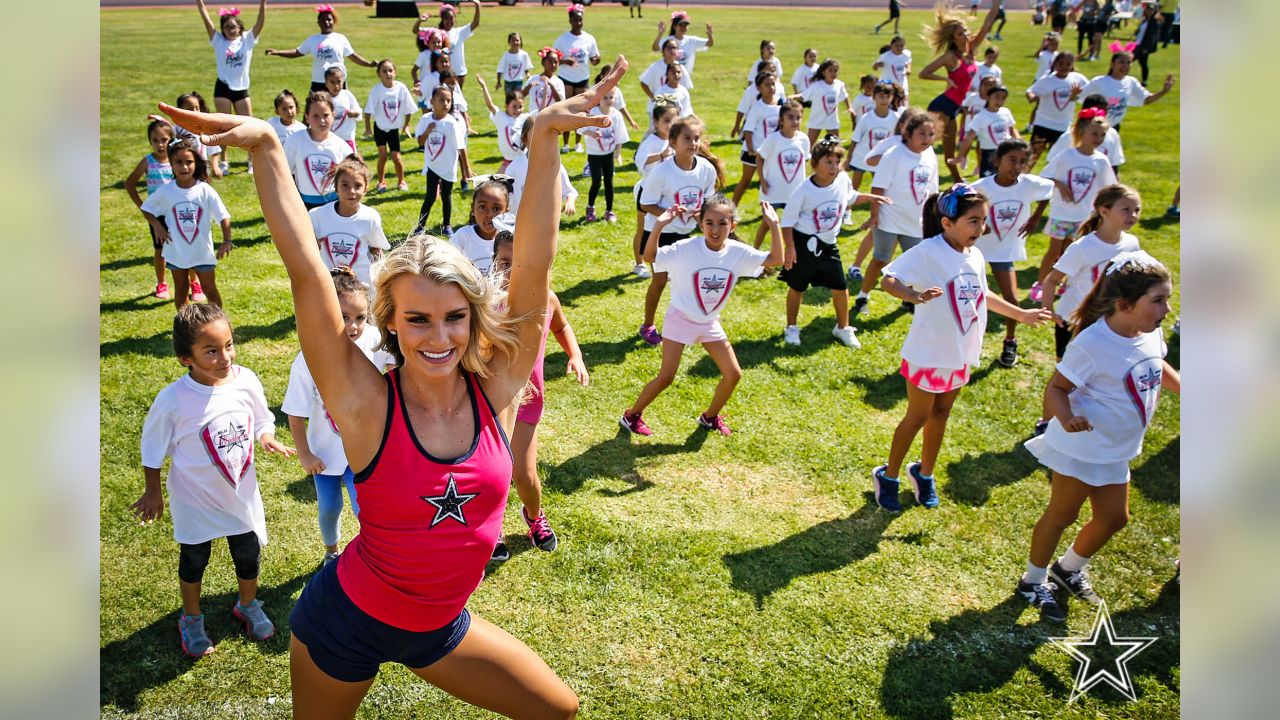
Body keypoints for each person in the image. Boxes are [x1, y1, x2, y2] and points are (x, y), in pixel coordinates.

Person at [156, 55, 627, 720]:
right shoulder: (363, 401)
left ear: (473, 316)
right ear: (390, 323)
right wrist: (266, 145)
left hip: (439, 628)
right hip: (345, 625)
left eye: (454, 316)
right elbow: (306, 274)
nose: (439, 336)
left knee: (558, 709)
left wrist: (545, 137)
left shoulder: (495, 389)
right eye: (417, 319)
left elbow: (537, 263)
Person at [1017, 250, 1178, 622]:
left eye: (1167, 299)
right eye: (1157, 301)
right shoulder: (1094, 343)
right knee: (1062, 514)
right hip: (1083, 448)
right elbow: (1056, 388)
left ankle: (1068, 568)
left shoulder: (1147, 332)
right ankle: (1032, 581)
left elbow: (1157, 365)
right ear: (1123, 304)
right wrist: (1068, 417)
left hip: (1115, 450)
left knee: (1113, 518)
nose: (1166, 309)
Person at [871, 184, 1052, 512]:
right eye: (973, 220)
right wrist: (913, 297)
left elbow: (983, 294)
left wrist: (1021, 314)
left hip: (959, 353)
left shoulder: (976, 255)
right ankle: (889, 475)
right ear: (947, 223)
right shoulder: (929, 251)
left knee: (941, 414)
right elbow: (889, 279)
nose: (981, 228)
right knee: (917, 416)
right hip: (927, 353)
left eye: (983, 221)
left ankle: (924, 474)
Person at [132, 303, 295, 657]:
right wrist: (152, 491)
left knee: (248, 555)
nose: (225, 357)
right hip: (195, 499)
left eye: (229, 345)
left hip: (240, 496)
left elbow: (263, 417)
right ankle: (191, 618)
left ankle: (248, 604)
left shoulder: (246, 379)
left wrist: (267, 436)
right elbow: (152, 448)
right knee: (194, 559)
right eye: (211, 350)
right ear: (184, 358)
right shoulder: (173, 401)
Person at [621, 196, 785, 438]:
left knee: (733, 374)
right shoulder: (686, 248)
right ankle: (631, 416)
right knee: (666, 377)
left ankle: (709, 418)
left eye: (722, 223)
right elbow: (649, 257)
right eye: (709, 223)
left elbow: (777, 260)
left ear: (733, 226)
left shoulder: (738, 253)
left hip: (709, 323)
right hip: (679, 319)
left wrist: (774, 225)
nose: (715, 230)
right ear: (700, 224)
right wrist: (659, 225)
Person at [488, 231, 589, 561]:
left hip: (529, 400)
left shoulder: (547, 299)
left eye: (521, 266)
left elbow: (562, 327)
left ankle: (533, 516)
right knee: (494, 473)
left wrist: (575, 355)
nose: (513, 273)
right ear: (493, 263)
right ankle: (492, 528)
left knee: (524, 475)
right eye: (505, 263)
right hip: (491, 402)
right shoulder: (486, 302)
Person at [284, 268, 395, 566]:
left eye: (360, 317)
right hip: (325, 454)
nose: (354, 325)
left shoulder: (373, 339)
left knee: (365, 508)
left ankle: (372, 553)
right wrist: (305, 454)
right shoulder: (310, 356)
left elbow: (401, 364)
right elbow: (296, 413)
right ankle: (331, 552)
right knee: (329, 507)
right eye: (344, 316)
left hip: (366, 449)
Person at [779, 137, 890, 348]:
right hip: (804, 244)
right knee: (797, 287)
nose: (833, 167)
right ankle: (791, 327)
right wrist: (791, 247)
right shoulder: (803, 190)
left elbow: (849, 197)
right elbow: (787, 221)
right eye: (828, 162)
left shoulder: (842, 180)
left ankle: (842, 327)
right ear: (814, 165)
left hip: (829, 245)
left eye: (836, 162)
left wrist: (870, 197)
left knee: (840, 286)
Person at [637, 115, 726, 346]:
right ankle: (648, 325)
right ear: (673, 142)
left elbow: (707, 202)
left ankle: (690, 323)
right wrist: (670, 214)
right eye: (687, 138)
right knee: (659, 280)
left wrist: (701, 216)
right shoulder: (662, 172)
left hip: (685, 233)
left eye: (696, 138)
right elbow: (645, 203)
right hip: (659, 232)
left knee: (687, 280)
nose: (693, 143)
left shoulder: (706, 169)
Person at [970, 139, 1055, 367]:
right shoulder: (981, 187)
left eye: (1022, 162)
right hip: (974, 249)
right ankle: (965, 341)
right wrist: (979, 226)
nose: (1016, 166)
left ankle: (1010, 340)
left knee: (1012, 298)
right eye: (1011, 160)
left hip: (1004, 251)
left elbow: (1051, 189)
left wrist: (1036, 216)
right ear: (997, 160)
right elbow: (965, 211)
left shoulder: (1028, 184)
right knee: (967, 297)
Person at [1040, 184, 1144, 364]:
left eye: (1137, 210)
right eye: (1126, 210)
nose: (1133, 215)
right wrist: (1049, 310)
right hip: (1075, 319)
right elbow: (1052, 280)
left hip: (1110, 319)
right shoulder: (1083, 247)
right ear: (1104, 211)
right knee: (1067, 370)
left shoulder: (1132, 244)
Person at [1028, 107, 1117, 302]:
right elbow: (1045, 177)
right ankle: (1041, 284)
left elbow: (1109, 188)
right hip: (1062, 214)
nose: (1098, 138)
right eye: (1094, 134)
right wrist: (1061, 185)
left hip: (1084, 217)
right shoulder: (1066, 156)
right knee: (1053, 252)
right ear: (1081, 132)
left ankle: (1064, 284)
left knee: (1074, 253)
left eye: (1102, 135)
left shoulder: (1101, 161)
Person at [854, 112, 939, 317]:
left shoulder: (930, 155)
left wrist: (933, 218)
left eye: (930, 134)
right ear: (908, 133)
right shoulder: (894, 154)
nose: (927, 139)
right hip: (889, 219)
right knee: (881, 259)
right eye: (921, 133)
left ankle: (909, 300)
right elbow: (878, 187)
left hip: (915, 222)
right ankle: (862, 296)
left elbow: (933, 189)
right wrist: (875, 215)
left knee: (915, 264)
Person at [139, 137, 233, 309]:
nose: (184, 167)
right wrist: (157, 226)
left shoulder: (204, 190)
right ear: (171, 164)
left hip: (201, 251)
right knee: (181, 291)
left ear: (196, 163)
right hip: (176, 251)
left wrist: (227, 241)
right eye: (178, 162)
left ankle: (220, 325)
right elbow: (147, 208)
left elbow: (223, 215)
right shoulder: (166, 191)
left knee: (210, 289)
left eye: (188, 162)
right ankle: (186, 330)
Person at [918, 3, 1000, 183]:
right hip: (942, 106)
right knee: (922, 145)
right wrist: (945, 80)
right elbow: (923, 73)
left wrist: (996, 4)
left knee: (949, 153)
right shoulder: (950, 57)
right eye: (960, 33)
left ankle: (958, 183)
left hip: (954, 108)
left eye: (965, 31)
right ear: (953, 38)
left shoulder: (971, 50)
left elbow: (987, 24)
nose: (964, 35)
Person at [197, 0, 266, 172]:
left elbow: (260, 23)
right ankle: (223, 162)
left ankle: (251, 161)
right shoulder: (218, 41)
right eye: (227, 27)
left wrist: (263, 4)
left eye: (234, 27)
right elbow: (207, 21)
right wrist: (200, 3)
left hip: (241, 89)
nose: (231, 30)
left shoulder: (247, 40)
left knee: (248, 126)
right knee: (223, 128)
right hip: (223, 89)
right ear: (223, 29)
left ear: (240, 27)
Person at [309, 157, 389, 289]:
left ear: (366, 189)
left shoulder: (370, 217)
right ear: (336, 187)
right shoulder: (317, 216)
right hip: (329, 287)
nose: (351, 191)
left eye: (357, 186)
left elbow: (376, 251)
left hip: (362, 288)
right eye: (345, 185)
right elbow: (308, 249)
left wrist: (378, 280)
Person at [265, 5, 375, 93]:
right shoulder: (313, 40)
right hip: (319, 81)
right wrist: (277, 52)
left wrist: (369, 64)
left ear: (334, 21)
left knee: (339, 113)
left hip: (337, 82)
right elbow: (297, 52)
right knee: (312, 114)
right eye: (323, 20)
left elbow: (353, 56)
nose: (326, 22)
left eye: (329, 20)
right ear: (318, 22)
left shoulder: (340, 38)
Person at [125, 119, 176, 299]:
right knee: (160, 250)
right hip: (157, 216)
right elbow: (130, 184)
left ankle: (195, 284)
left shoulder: (177, 160)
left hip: (177, 213)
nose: (160, 144)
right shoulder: (147, 162)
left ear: (171, 139)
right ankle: (162, 283)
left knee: (185, 247)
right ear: (150, 141)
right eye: (155, 140)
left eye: (164, 139)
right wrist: (143, 207)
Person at [629, 99, 680, 278]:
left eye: (674, 120)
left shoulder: (677, 140)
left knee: (665, 229)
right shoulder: (651, 141)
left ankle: (665, 264)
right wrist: (660, 155)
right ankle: (639, 263)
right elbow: (639, 161)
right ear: (656, 122)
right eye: (666, 120)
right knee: (643, 228)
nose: (670, 124)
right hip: (647, 192)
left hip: (665, 194)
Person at [753, 100, 811, 252]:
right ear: (781, 120)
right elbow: (759, 158)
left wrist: (805, 184)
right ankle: (754, 251)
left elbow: (804, 162)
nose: (795, 121)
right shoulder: (773, 139)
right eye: (790, 117)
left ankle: (794, 255)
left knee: (795, 225)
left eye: (798, 117)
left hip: (794, 191)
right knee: (767, 223)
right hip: (773, 190)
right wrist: (762, 181)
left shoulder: (803, 139)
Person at [284, 91, 353, 209]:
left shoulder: (342, 146)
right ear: (307, 116)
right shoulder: (295, 141)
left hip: (334, 204)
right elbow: (284, 172)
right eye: (316, 116)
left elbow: (352, 177)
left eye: (326, 115)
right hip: (304, 204)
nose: (321, 120)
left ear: (333, 114)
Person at [413, 85, 463, 237]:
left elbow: (461, 147)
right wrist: (428, 130)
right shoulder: (425, 119)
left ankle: (447, 225)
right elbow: (420, 142)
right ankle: (420, 226)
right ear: (432, 101)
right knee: (430, 197)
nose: (446, 103)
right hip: (433, 166)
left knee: (447, 196)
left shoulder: (452, 122)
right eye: (441, 100)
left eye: (449, 100)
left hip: (448, 166)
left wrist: (466, 171)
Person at [1080, 51, 1174, 130]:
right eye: (1121, 62)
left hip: (1114, 128)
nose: (1125, 66)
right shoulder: (1099, 81)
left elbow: (1145, 100)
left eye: (1128, 63)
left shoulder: (1131, 82)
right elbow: (1080, 97)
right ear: (1112, 64)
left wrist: (1163, 91)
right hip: (1095, 127)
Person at [553, 4, 602, 153]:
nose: (578, 23)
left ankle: (578, 143)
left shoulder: (589, 38)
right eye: (575, 20)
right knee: (567, 111)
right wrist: (565, 61)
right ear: (570, 21)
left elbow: (595, 57)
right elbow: (554, 58)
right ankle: (566, 143)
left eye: (580, 20)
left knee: (581, 112)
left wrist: (596, 60)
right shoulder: (562, 39)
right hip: (566, 79)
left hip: (582, 78)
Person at [731, 71, 783, 206]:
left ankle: (768, 212)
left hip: (770, 152)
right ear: (759, 88)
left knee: (768, 183)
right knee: (746, 181)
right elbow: (748, 131)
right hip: (753, 151)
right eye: (767, 85)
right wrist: (751, 149)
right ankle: (731, 208)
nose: (771, 87)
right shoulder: (757, 107)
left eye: (773, 84)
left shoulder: (781, 105)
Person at [1025, 52, 1087, 165]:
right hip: (1043, 123)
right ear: (1055, 64)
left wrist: (1075, 95)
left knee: (1057, 159)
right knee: (1032, 156)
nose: (1064, 67)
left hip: (1063, 125)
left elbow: (1086, 93)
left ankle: (1051, 180)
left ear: (1072, 65)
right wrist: (1032, 97)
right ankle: (1023, 177)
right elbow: (1030, 91)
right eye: (1061, 63)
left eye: (1068, 64)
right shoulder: (1047, 79)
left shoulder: (1077, 79)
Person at [364, 60, 416, 193]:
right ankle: (381, 182)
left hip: (394, 129)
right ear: (379, 74)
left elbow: (409, 109)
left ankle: (401, 181)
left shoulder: (401, 88)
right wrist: (368, 127)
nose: (388, 73)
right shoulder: (377, 90)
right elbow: (368, 110)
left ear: (395, 72)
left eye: (390, 70)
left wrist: (406, 125)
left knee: (396, 157)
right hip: (380, 127)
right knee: (382, 156)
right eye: (384, 71)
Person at [580, 89, 630, 223]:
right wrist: (592, 134)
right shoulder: (593, 113)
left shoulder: (617, 115)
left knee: (609, 183)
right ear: (599, 99)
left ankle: (609, 210)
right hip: (594, 154)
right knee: (596, 182)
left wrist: (618, 153)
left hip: (608, 155)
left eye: (611, 97)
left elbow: (620, 135)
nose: (608, 101)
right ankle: (590, 207)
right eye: (605, 98)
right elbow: (580, 128)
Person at [449, 175, 514, 274]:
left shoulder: (508, 240)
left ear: (506, 212)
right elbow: (448, 265)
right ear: (473, 209)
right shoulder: (463, 236)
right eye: (483, 207)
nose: (489, 214)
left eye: (496, 209)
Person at [956, 83, 1019, 178]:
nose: (1000, 101)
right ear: (988, 97)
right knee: (988, 182)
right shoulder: (981, 116)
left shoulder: (1006, 112)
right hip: (989, 154)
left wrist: (1020, 143)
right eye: (997, 97)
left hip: (1006, 152)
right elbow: (969, 137)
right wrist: (960, 155)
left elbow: (1011, 129)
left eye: (1003, 98)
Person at [475, 76, 527, 172]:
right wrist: (484, 86)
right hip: (507, 162)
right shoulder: (501, 117)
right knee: (497, 185)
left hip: (522, 161)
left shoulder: (525, 118)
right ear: (506, 106)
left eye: (520, 106)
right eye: (514, 106)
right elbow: (490, 104)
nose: (517, 110)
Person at [800, 59, 853, 145]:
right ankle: (807, 157)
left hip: (832, 120)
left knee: (835, 144)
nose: (833, 73)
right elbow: (804, 96)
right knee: (809, 145)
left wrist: (849, 107)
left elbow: (845, 96)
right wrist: (793, 97)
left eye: (835, 71)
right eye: (830, 70)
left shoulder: (839, 84)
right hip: (817, 119)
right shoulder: (817, 85)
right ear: (823, 72)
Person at [651, 12, 714, 78]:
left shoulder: (692, 40)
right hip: (670, 78)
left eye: (685, 26)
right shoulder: (668, 41)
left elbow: (709, 44)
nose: (683, 28)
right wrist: (660, 34)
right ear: (674, 26)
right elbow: (655, 48)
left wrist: (710, 36)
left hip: (685, 78)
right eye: (680, 25)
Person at [438, 0, 480, 87]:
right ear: (442, 19)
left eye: (451, 18)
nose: (449, 21)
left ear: (455, 18)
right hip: (442, 73)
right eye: (446, 18)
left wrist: (477, 5)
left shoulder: (459, 32)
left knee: (457, 98)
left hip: (459, 73)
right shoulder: (437, 33)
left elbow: (475, 23)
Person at [324, 66, 363, 155]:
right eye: (332, 82)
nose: (336, 86)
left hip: (347, 138)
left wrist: (354, 113)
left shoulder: (347, 95)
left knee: (351, 164)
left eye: (339, 82)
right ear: (326, 83)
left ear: (343, 81)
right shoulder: (324, 98)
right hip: (329, 140)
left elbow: (358, 111)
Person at [524, 48, 567, 113]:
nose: (553, 65)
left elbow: (561, 101)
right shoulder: (533, 79)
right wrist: (529, 86)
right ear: (543, 62)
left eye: (556, 62)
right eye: (550, 62)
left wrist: (551, 85)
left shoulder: (558, 82)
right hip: (534, 117)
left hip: (551, 118)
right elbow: (521, 96)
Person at [1132, 1, 1163, 85]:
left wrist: (1146, 48)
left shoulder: (1154, 22)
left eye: (1151, 10)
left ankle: (1144, 80)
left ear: (1154, 11)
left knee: (1130, 60)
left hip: (1143, 46)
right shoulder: (1145, 20)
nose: (1149, 11)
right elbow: (1142, 32)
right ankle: (1144, 80)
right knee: (1143, 63)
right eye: (1148, 9)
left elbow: (1152, 37)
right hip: (1137, 44)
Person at [873, 36, 913, 101]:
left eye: (901, 46)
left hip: (902, 83)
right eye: (896, 45)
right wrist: (877, 65)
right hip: (888, 83)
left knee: (904, 104)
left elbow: (908, 62)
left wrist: (908, 69)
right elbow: (874, 67)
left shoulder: (906, 54)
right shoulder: (885, 56)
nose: (899, 48)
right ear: (891, 45)